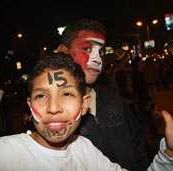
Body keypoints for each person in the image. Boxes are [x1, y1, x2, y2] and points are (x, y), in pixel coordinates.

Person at [0, 53, 173, 171]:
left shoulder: (86, 151)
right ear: (30, 106)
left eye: (67, 94)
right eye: (41, 96)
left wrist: (172, 155)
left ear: (83, 106)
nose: (53, 107)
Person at [56, 18, 150, 170]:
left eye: (101, 52)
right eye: (87, 49)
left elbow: (138, 142)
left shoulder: (112, 98)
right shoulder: (52, 113)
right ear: (63, 52)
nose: (97, 59)